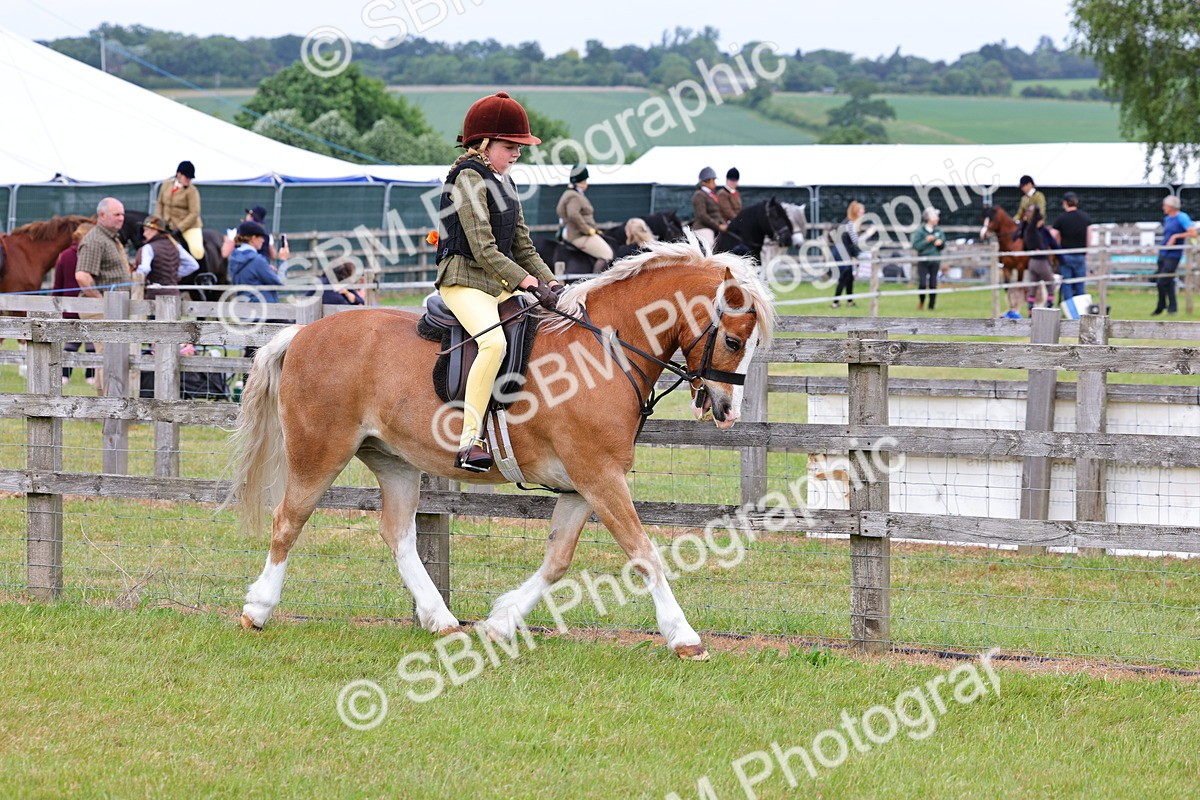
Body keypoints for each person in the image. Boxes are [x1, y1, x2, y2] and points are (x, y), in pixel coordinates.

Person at [434, 91, 562, 472]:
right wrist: (525, 281)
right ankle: (469, 441)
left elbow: (522, 244)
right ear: (484, 144)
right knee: (493, 342)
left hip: (495, 282)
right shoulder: (467, 179)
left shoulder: (505, 182)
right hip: (462, 280)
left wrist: (552, 285)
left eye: (519, 147)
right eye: (510, 146)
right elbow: (484, 248)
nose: (517, 154)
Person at [52, 222, 97, 384]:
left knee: (72, 340)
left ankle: (64, 375)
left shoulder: (64, 255)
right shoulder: (91, 255)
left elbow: (58, 283)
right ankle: (91, 375)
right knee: (91, 340)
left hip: (68, 305)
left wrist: (56, 303)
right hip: (89, 303)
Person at [555, 165, 612, 272]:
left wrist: (595, 230)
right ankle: (597, 283)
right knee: (607, 254)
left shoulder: (569, 193)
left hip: (572, 232)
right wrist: (588, 230)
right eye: (585, 180)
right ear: (580, 181)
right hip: (579, 235)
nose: (586, 183)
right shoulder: (574, 196)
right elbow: (573, 215)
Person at [76, 198, 131, 300]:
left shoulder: (110, 238)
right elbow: (82, 276)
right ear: (102, 215)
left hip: (114, 307)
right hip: (100, 310)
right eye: (117, 215)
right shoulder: (95, 240)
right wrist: (100, 299)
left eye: (122, 215)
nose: (121, 218)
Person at [1153, 195, 1198, 315]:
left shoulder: (1182, 217)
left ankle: (1161, 305)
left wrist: (1176, 236)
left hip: (1173, 255)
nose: (1163, 208)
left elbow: (1193, 233)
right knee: (1168, 281)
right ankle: (1171, 308)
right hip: (1163, 252)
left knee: (1162, 281)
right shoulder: (1167, 219)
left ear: (1171, 206)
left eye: (1165, 206)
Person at [155, 160, 204, 260]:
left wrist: (179, 228)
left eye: (190, 178)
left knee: (197, 250)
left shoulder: (192, 191)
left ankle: (204, 273)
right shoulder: (166, 185)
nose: (188, 180)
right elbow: (160, 203)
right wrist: (160, 220)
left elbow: (194, 213)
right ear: (178, 174)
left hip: (189, 226)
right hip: (167, 224)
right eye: (187, 177)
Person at [1049, 192, 1092, 306]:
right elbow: (1089, 235)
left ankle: (1070, 310)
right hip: (1080, 255)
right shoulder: (1085, 217)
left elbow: (1052, 235)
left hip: (1065, 256)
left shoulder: (1061, 218)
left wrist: (1055, 249)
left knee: (1066, 284)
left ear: (1065, 203)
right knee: (1080, 284)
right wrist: (1086, 250)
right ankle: (1081, 310)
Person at [133, 216, 181, 301]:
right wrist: (173, 274)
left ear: (154, 231)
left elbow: (144, 268)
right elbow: (193, 265)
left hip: (155, 296)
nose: (144, 234)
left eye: (146, 230)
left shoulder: (148, 248)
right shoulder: (175, 245)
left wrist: (136, 281)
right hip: (174, 294)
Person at [221, 205, 290, 263]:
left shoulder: (236, 231)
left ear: (251, 217)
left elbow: (225, 253)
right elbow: (273, 255)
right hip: (263, 269)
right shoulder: (267, 234)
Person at [1022, 205, 1057, 309]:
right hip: (1041, 262)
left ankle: (1030, 310)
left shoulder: (1027, 232)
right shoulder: (1032, 230)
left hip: (1032, 262)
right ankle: (1050, 306)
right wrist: (1037, 208)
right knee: (1051, 284)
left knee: (1032, 288)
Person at [831, 201, 865, 308]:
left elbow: (850, 243)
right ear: (856, 213)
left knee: (849, 277)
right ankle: (835, 303)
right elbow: (856, 241)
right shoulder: (850, 224)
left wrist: (853, 255)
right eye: (861, 212)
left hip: (844, 252)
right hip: (841, 253)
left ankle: (850, 301)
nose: (863, 215)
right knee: (844, 277)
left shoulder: (849, 223)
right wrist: (869, 234)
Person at [910, 207, 945, 311]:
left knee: (933, 284)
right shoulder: (920, 231)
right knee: (922, 283)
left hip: (935, 260)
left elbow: (943, 244)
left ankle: (931, 306)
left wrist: (940, 243)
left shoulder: (938, 230)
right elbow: (916, 246)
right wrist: (926, 241)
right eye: (935, 217)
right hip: (923, 261)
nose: (938, 219)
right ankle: (921, 302)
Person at [691, 166, 726, 251]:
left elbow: (717, 213)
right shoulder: (699, 195)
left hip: (714, 227)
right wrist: (718, 226)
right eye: (713, 180)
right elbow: (702, 215)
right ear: (705, 182)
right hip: (703, 227)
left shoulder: (711, 195)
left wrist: (725, 224)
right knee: (710, 245)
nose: (715, 183)